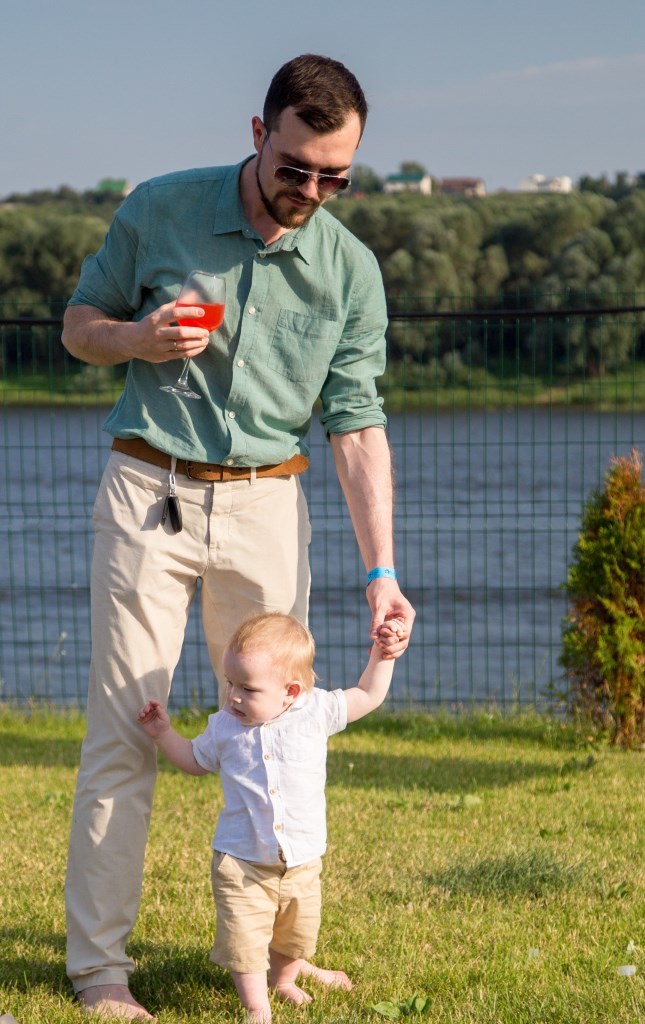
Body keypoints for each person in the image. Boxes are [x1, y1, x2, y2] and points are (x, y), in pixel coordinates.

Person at [62, 53, 415, 1020]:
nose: (311, 191)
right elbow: (77, 325)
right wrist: (133, 340)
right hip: (147, 492)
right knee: (126, 735)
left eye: (334, 176)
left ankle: (283, 963)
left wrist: (380, 571)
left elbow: (355, 421)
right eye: (296, 167)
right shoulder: (160, 210)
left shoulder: (349, 270)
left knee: (287, 739)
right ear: (258, 137)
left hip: (267, 506)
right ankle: (99, 972)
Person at [137, 612, 404, 1022]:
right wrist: (162, 734)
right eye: (230, 683)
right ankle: (257, 1007)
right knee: (244, 941)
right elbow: (193, 759)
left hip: (302, 860)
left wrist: (382, 655)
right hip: (241, 862)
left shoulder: (316, 711)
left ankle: (283, 980)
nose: (233, 697)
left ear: (290, 691)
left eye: (247, 688)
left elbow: (367, 695)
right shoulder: (225, 727)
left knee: (295, 935)